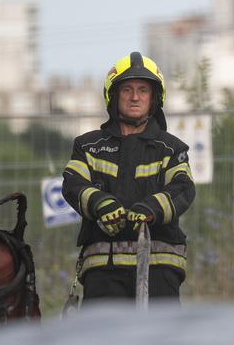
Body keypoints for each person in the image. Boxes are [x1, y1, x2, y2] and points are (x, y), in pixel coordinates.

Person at [61, 52, 195, 302]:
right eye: (127, 90)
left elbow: (183, 188)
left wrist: (151, 208)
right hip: (104, 267)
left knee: (161, 329)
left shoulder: (171, 148)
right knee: (103, 330)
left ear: (154, 98)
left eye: (143, 90)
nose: (135, 97)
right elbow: (73, 183)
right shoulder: (88, 146)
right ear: (113, 96)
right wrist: (99, 203)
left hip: (159, 265)